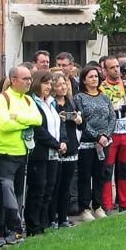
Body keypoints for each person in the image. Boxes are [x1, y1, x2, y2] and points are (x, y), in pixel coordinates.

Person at [0, 66, 41, 243]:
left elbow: (38, 120)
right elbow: (4, 124)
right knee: (7, 189)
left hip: (23, 151)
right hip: (5, 152)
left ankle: (2, 227)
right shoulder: (1, 99)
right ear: (13, 80)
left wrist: (17, 117)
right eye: (25, 78)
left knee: (17, 191)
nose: (29, 81)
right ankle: (14, 228)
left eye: (30, 78)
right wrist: (25, 122)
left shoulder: (28, 99)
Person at [99, 56, 126, 212]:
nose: (116, 70)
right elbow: (106, 109)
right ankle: (107, 204)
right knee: (107, 170)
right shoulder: (101, 87)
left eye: (117, 66)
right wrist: (125, 107)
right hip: (110, 132)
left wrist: (122, 108)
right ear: (104, 70)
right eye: (112, 67)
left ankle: (125, 202)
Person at [25, 70, 64, 235]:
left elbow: (58, 124)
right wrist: (55, 144)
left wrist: (63, 141)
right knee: (38, 189)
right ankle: (33, 226)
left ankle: (44, 223)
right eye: (45, 83)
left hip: (53, 154)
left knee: (49, 189)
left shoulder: (51, 102)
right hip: (40, 153)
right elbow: (38, 129)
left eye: (50, 83)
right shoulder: (32, 102)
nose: (49, 86)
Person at [74, 65, 115, 220]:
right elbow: (81, 121)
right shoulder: (79, 98)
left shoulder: (104, 97)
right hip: (87, 144)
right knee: (85, 176)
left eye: (96, 76)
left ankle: (98, 206)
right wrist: (96, 136)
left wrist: (105, 135)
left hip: (104, 143)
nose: (94, 79)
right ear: (84, 80)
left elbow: (112, 117)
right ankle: (84, 208)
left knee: (100, 175)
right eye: (91, 76)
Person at [51, 71, 80, 226]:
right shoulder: (51, 103)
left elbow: (81, 123)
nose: (62, 87)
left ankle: (63, 217)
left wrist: (78, 120)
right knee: (55, 185)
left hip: (71, 145)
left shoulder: (71, 101)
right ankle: (53, 217)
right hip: (57, 147)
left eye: (64, 84)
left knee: (66, 186)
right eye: (58, 85)